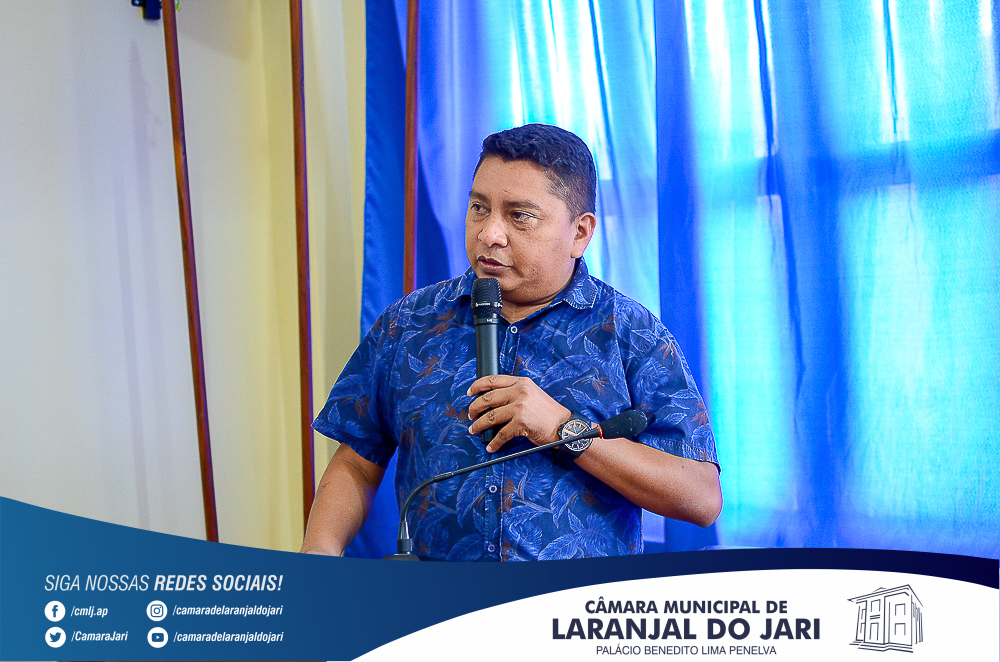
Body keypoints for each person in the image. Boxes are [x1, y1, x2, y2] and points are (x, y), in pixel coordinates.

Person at [301, 123, 721, 561]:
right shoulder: (408, 324)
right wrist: (320, 546)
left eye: (519, 216)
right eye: (479, 208)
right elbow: (356, 460)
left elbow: (701, 498)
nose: (489, 234)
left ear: (580, 233)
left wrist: (562, 428)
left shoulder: (631, 333)